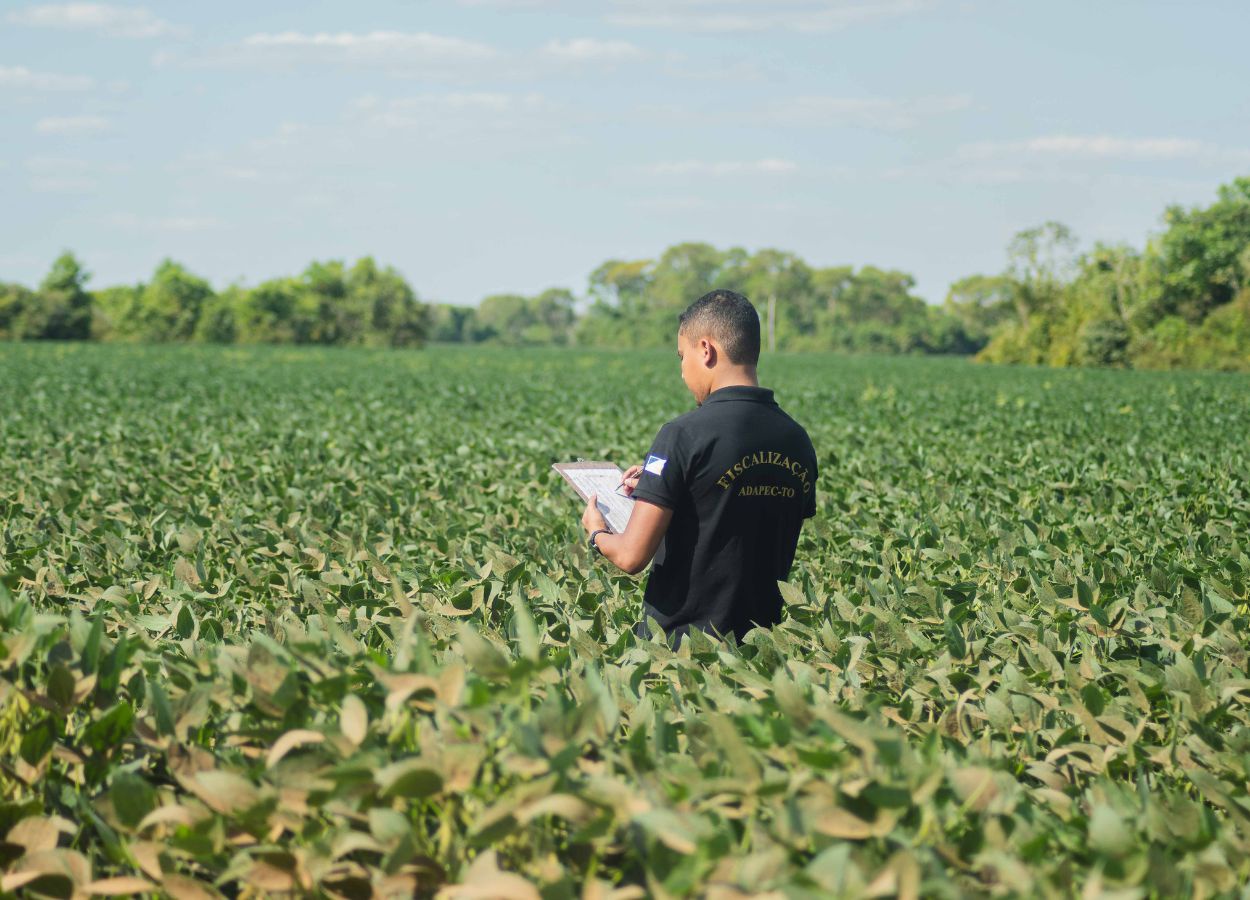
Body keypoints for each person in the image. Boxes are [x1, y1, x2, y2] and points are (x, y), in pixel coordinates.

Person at [580, 289, 818, 643]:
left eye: (682, 356)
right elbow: (743, 520)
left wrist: (597, 533)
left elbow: (631, 556)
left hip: (682, 654)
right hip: (761, 654)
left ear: (705, 350)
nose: (682, 371)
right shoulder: (797, 440)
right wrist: (664, 486)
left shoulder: (682, 434)